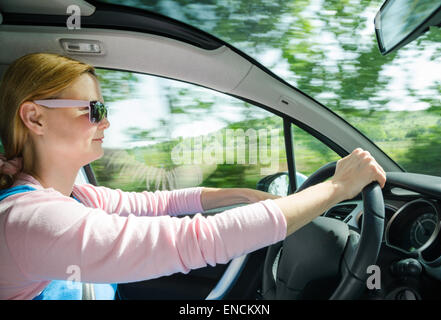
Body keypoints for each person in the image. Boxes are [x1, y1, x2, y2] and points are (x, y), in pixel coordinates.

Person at [0, 53, 386, 300]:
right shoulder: (30, 220)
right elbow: (199, 240)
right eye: (94, 110)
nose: (108, 121)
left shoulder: (77, 198)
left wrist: (243, 195)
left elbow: (163, 203)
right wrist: (338, 186)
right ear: (35, 117)